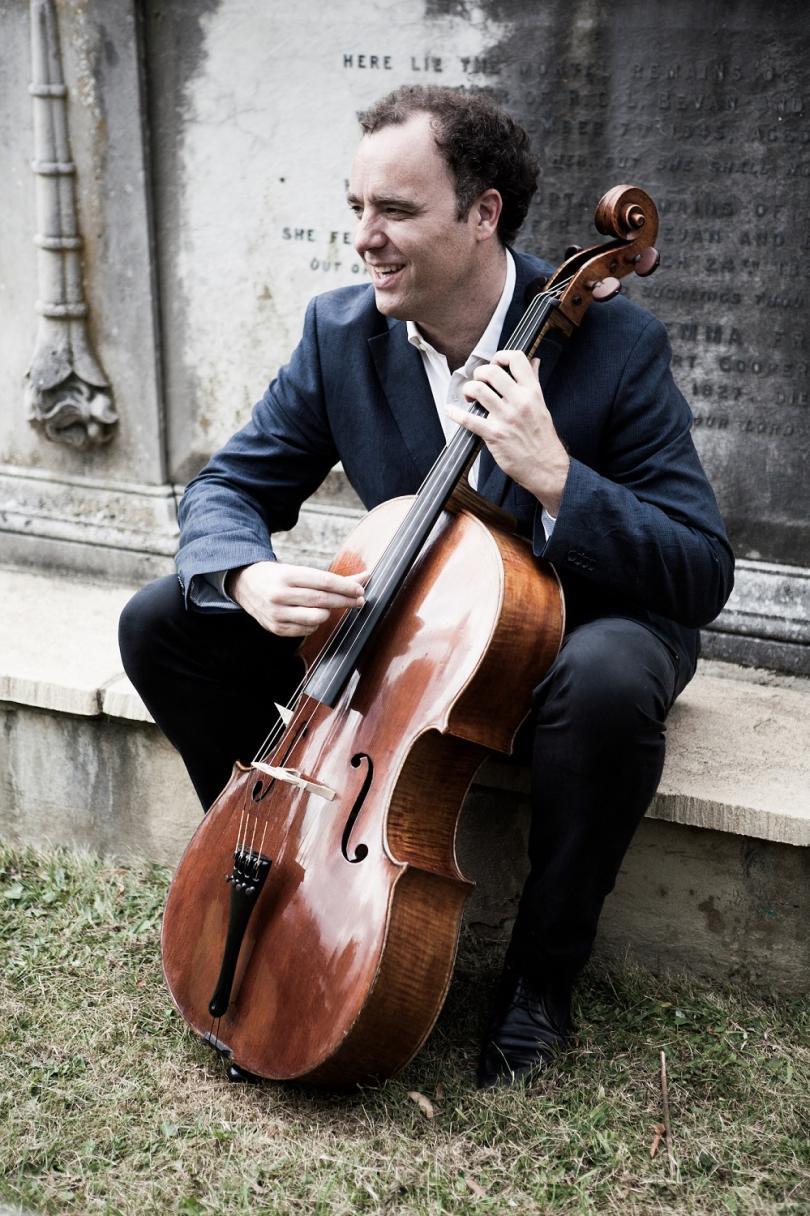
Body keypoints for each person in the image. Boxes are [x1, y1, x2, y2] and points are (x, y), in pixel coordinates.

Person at [119, 85, 734, 1089]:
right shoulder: (339, 334)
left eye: (395, 211)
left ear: (482, 213)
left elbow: (701, 569)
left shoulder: (614, 343)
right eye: (356, 207)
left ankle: (540, 980)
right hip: (426, 636)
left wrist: (558, 478)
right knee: (166, 618)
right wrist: (249, 569)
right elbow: (228, 486)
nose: (365, 237)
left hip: (573, 639)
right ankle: (272, 849)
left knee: (614, 672)